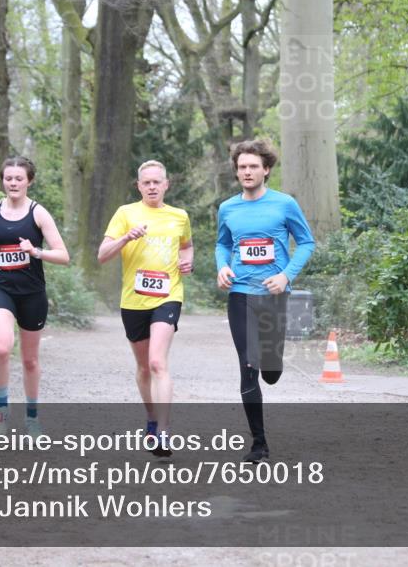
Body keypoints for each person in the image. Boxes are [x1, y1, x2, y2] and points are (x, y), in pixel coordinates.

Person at [215, 139, 315, 463]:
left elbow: (306, 242)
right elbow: (222, 244)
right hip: (240, 295)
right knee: (248, 367)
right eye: (242, 167)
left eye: (253, 166)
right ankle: (259, 444)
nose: (247, 171)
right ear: (237, 171)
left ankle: (274, 364)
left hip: (273, 297)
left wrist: (286, 275)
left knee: (270, 370)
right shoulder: (228, 208)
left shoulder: (284, 204)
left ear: (266, 169)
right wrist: (222, 266)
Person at [99, 160, 193, 457]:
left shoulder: (179, 216)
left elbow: (187, 245)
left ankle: (164, 432)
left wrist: (187, 260)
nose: (152, 187)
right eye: (146, 182)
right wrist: (126, 237)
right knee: (142, 368)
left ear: (166, 184)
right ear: (139, 186)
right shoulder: (125, 214)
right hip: (133, 300)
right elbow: (102, 255)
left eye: (157, 182)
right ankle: (152, 420)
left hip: (168, 296)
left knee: (156, 363)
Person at [0, 157, 70, 437]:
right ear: (2, 180)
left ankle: (31, 418)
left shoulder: (39, 214)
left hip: (32, 294)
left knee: (29, 360)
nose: (13, 183)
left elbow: (63, 256)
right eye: (8, 178)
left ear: (29, 181)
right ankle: (2, 412)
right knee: (2, 348)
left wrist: (36, 252)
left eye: (19, 178)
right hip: (1, 288)